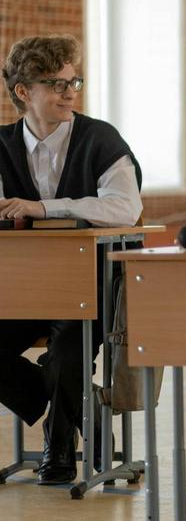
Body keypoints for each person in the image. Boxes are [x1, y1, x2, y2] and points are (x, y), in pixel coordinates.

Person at [0, 35, 143, 485]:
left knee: (66, 350)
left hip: (95, 285)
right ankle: (84, 409)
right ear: (24, 92)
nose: (70, 92)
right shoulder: (2, 144)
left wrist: (45, 207)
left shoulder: (100, 139)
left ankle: (58, 450)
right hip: (20, 288)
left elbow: (124, 208)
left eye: (74, 81)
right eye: (56, 83)